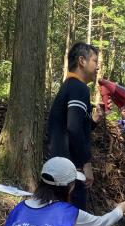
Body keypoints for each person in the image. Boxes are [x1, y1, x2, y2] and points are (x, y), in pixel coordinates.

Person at [46, 42, 107, 211]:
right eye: (95, 61)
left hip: (58, 166)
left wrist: (92, 121)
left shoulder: (68, 87)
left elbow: (71, 127)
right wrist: (86, 163)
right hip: (71, 170)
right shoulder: (79, 87)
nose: (97, 68)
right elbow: (73, 128)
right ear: (82, 61)